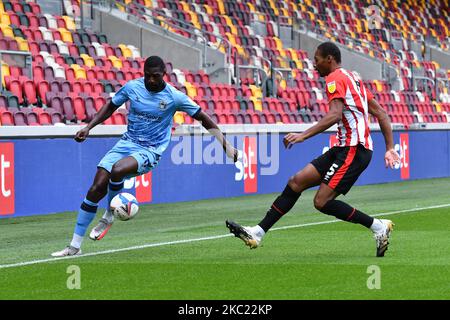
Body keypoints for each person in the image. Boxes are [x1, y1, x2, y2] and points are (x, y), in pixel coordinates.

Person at [226, 42, 401, 257]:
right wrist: (390, 147)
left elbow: (335, 114)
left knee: (321, 201)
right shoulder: (353, 79)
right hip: (344, 148)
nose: (314, 64)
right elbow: (382, 113)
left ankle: (377, 226)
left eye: (317, 59)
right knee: (296, 182)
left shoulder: (335, 79)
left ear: (329, 59)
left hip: (354, 149)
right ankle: (258, 232)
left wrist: (302, 135)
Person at [52, 56, 238, 257]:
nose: (150, 80)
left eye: (155, 76)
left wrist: (226, 146)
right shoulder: (133, 87)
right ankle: (74, 246)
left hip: (151, 150)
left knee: (118, 169)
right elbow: (111, 106)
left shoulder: (174, 97)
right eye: (147, 76)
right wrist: (88, 127)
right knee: (96, 188)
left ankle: (108, 215)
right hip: (126, 143)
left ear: (164, 75)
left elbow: (204, 118)